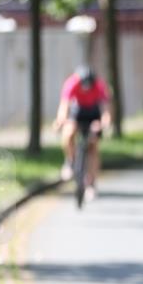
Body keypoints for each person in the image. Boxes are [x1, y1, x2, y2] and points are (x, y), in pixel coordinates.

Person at [54, 65, 111, 200]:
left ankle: (91, 184)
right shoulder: (71, 83)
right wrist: (60, 121)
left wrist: (103, 124)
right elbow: (64, 107)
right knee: (68, 133)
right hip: (78, 110)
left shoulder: (100, 86)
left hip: (93, 112)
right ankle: (70, 161)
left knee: (93, 147)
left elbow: (105, 111)